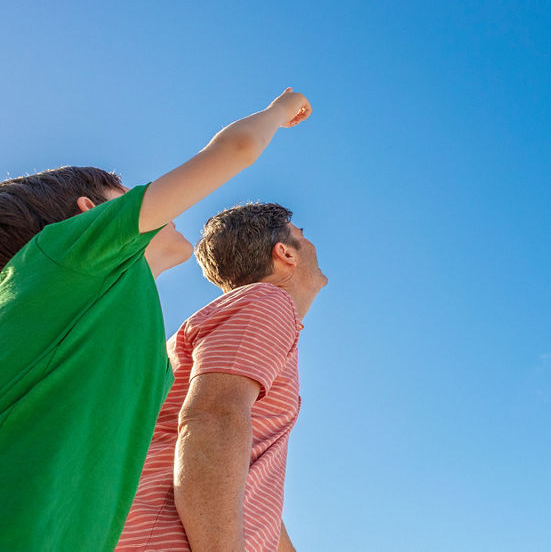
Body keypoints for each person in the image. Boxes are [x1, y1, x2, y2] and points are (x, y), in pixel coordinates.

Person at [0, 89, 312, 552]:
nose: (150, 200)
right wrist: (281, 109)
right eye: (126, 194)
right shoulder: (68, 255)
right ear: (92, 214)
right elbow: (235, 150)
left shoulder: (130, 342)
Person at [117, 201, 325, 552]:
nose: (313, 242)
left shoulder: (246, 314)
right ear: (285, 252)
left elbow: (248, 476)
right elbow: (211, 417)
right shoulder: (266, 302)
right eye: (303, 234)